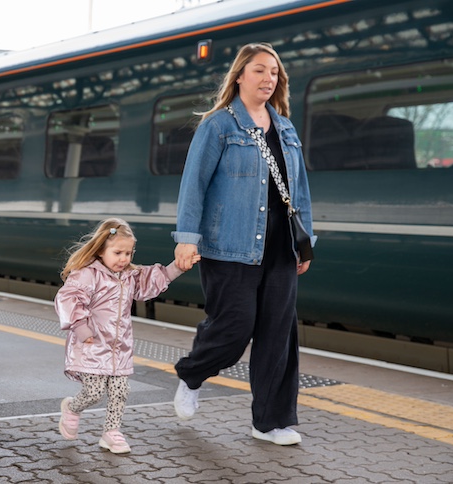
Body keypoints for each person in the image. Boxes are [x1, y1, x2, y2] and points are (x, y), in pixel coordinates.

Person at [171, 43, 316, 446]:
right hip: (230, 244)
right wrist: (186, 239)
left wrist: (306, 243)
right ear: (239, 76)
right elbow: (193, 185)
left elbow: (299, 191)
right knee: (233, 327)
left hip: (281, 246)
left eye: (274, 73)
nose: (268, 79)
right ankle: (192, 373)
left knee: (278, 333)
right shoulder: (218, 125)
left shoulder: (284, 128)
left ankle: (270, 422)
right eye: (259, 71)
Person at [55, 218, 199, 454]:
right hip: (92, 344)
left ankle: (111, 433)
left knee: (120, 391)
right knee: (93, 393)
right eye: (118, 252)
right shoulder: (87, 274)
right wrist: (80, 325)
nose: (124, 259)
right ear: (101, 250)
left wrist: (178, 267)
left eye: (129, 253)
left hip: (119, 347)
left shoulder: (130, 276)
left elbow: (153, 281)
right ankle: (72, 408)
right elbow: (68, 298)